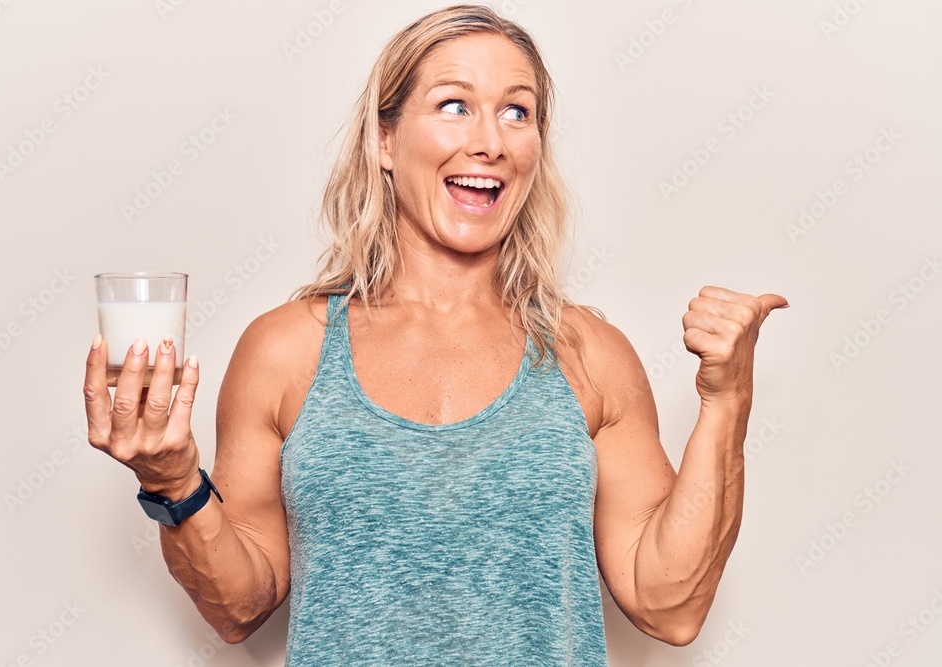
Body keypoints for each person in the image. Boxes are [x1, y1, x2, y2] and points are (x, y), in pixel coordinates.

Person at [83, 4, 787, 664]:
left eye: (518, 112)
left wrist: (727, 400)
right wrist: (171, 479)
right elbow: (240, 605)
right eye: (455, 105)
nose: (490, 142)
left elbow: (671, 605)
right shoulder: (285, 351)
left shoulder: (588, 355)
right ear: (385, 139)